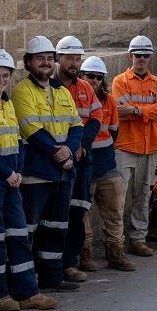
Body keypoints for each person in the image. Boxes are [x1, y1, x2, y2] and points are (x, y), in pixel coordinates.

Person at [0, 49, 58, 311]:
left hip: (9, 181)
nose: (1, 80)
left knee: (19, 236)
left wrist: (16, 173)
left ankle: (27, 292)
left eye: (5, 76)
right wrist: (9, 174)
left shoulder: (7, 105)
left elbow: (17, 142)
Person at [11, 36, 83, 293]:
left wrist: (69, 153)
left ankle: (52, 277)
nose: (45, 63)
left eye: (49, 58)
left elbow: (76, 125)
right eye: (39, 58)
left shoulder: (62, 91)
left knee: (57, 227)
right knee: (29, 229)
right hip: (37, 172)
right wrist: (61, 154)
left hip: (62, 172)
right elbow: (32, 130)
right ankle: (26, 283)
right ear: (28, 62)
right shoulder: (22, 91)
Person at [112, 35, 157, 258]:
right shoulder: (120, 81)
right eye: (139, 55)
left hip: (150, 146)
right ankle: (116, 242)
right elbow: (120, 109)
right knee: (119, 197)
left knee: (143, 195)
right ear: (131, 56)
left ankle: (138, 239)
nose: (142, 59)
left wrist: (136, 111)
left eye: (146, 55)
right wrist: (147, 110)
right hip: (126, 146)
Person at [77, 56, 135, 272]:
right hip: (85, 165)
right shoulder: (74, 98)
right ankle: (85, 254)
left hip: (107, 165)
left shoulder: (109, 101)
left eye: (98, 77)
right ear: (81, 76)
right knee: (83, 214)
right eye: (89, 76)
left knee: (114, 213)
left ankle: (115, 254)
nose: (93, 80)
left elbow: (113, 130)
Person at [54, 36, 101, 284]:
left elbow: (95, 117)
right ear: (58, 59)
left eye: (77, 58)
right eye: (70, 58)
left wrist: (82, 145)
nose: (75, 63)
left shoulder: (85, 88)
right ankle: (52, 265)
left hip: (82, 157)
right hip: (56, 157)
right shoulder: (48, 86)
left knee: (78, 210)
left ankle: (70, 262)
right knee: (54, 213)